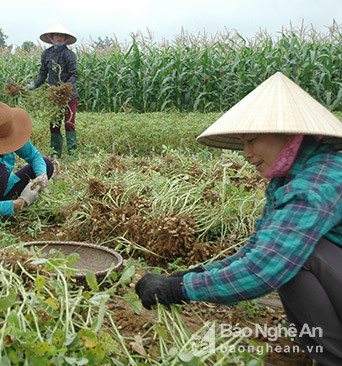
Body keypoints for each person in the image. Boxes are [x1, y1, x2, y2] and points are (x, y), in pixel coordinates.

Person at [135, 72, 342, 365]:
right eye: (243, 142)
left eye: (252, 140)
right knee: (291, 254)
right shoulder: (288, 181)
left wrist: (178, 290)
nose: (246, 153)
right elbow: (258, 249)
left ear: (288, 133)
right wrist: (195, 274)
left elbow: (264, 268)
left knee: (297, 259)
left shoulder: (319, 181)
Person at [26, 23, 79, 158]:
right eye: (56, 35)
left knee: (69, 124)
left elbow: (74, 75)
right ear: (51, 37)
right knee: (54, 125)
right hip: (54, 96)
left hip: (69, 95)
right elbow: (43, 75)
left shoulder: (69, 55)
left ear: (66, 38)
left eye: (61, 35)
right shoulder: (46, 54)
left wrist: (65, 87)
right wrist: (32, 85)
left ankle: (73, 155)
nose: (59, 38)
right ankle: (55, 154)